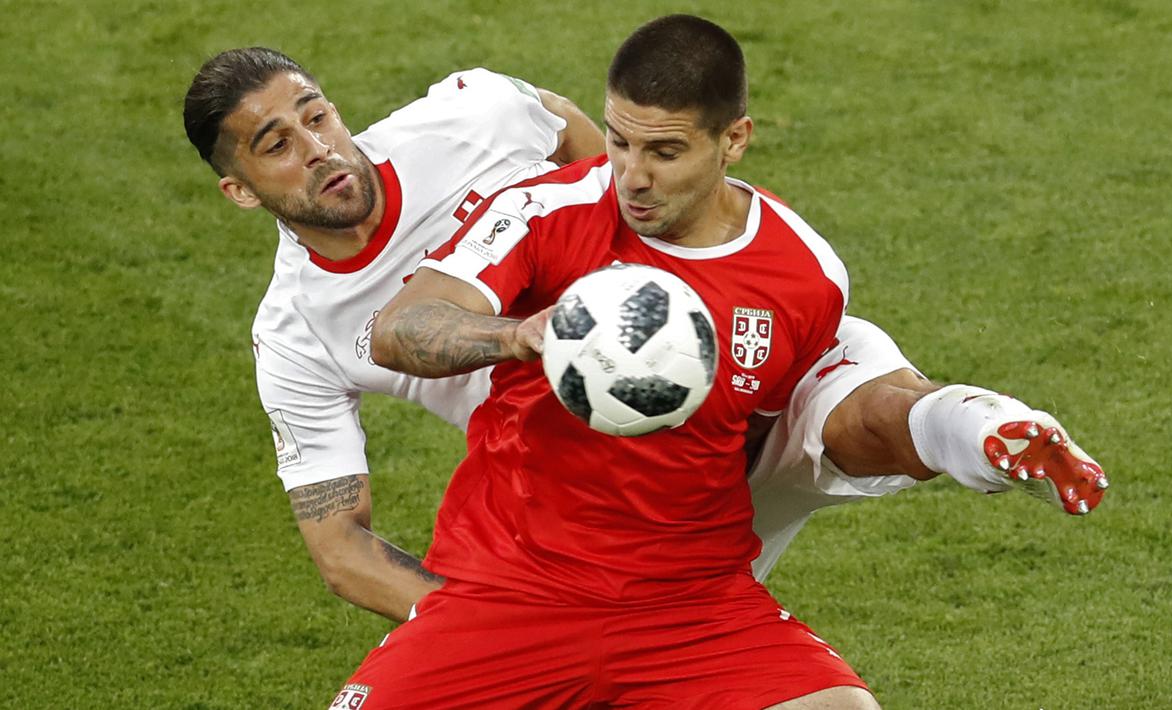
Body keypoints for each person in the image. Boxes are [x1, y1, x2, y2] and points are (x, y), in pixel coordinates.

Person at [355, 14, 905, 708]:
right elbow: (399, 328)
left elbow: (755, 445)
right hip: (507, 591)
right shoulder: (544, 209)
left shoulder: (804, 274)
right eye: (618, 142)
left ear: (734, 139)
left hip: (688, 607)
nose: (631, 177)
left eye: (664, 152)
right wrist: (516, 335)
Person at [183, 47, 605, 621]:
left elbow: (559, 124)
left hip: (697, 369)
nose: (318, 150)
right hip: (592, 490)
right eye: (278, 145)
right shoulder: (294, 336)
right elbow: (341, 550)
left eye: (316, 118)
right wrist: (486, 623)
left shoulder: (469, 114)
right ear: (241, 191)